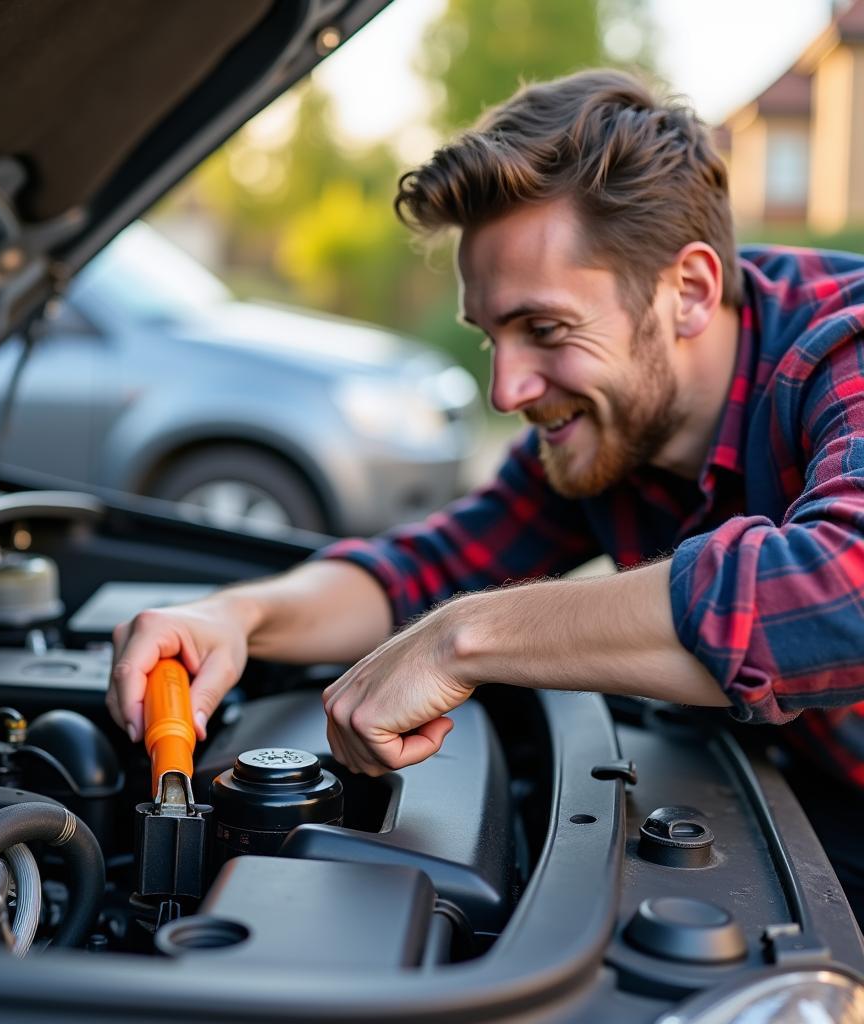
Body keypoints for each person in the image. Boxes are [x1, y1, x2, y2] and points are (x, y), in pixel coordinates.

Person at [108, 69, 864, 905]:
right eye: (493, 336)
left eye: (545, 330)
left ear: (686, 291)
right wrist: (238, 616)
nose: (508, 392)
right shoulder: (609, 426)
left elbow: (840, 588)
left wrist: (462, 637)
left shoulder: (844, 349)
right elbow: (425, 568)